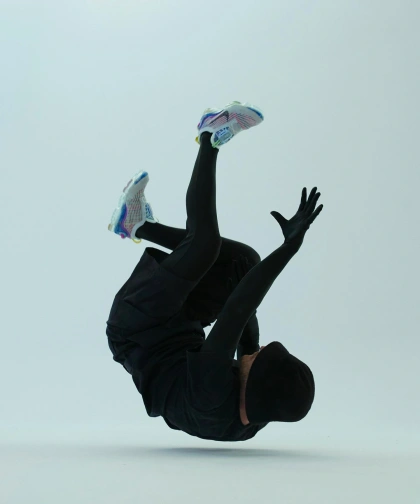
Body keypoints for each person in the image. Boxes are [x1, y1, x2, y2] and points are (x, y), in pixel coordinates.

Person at [106, 101, 324, 442]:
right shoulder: (251, 415)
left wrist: (289, 248)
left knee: (204, 245)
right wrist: (246, 291)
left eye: (261, 360)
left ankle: (211, 135)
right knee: (244, 264)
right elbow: (245, 325)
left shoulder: (210, 395)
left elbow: (237, 309)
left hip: (137, 327)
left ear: (257, 385)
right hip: (179, 327)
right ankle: (136, 225)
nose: (258, 353)